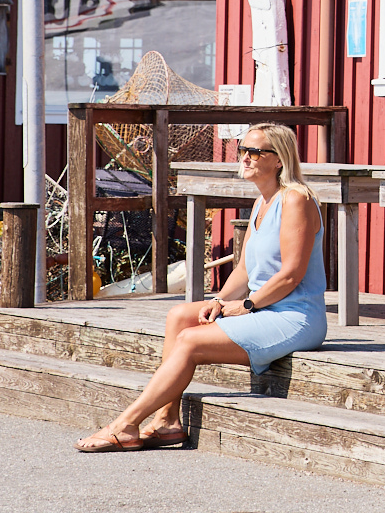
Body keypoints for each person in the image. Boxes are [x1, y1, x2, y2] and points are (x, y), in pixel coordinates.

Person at [74, 122, 326, 452]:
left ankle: (125, 425)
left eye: (255, 152)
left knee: (190, 341)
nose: (245, 158)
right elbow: (246, 269)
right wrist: (221, 300)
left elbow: (291, 275)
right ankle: (166, 421)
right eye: (243, 150)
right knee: (180, 316)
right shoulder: (262, 203)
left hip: (295, 316)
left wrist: (248, 306)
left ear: (279, 159)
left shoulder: (296, 200)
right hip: (265, 306)